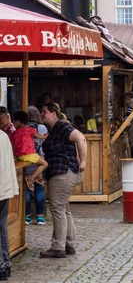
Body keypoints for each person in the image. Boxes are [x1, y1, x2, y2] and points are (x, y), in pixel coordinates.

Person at [40, 103, 87, 258]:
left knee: (58, 209)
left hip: (63, 172)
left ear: (54, 113)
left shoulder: (61, 126)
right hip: (60, 173)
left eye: (45, 112)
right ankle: (69, 244)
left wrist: (83, 161)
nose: (42, 114)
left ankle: (58, 246)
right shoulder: (53, 130)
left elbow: (80, 138)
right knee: (63, 209)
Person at [10, 111, 48, 191]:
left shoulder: (13, 134)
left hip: (20, 156)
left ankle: (39, 178)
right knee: (45, 164)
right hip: (29, 154)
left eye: (13, 122)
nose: (13, 124)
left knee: (40, 159)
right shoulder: (30, 130)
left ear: (17, 122)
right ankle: (31, 178)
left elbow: (12, 146)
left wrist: (14, 157)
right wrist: (45, 136)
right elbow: (39, 137)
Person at [25, 107, 48, 225]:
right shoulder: (42, 128)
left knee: (26, 192)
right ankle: (40, 217)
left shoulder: (23, 128)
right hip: (40, 162)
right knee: (39, 190)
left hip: (26, 162)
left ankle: (27, 216)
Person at [0, 129, 17, 280]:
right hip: (5, 188)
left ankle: (0, 267)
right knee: (2, 227)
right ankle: (6, 264)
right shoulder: (4, 136)